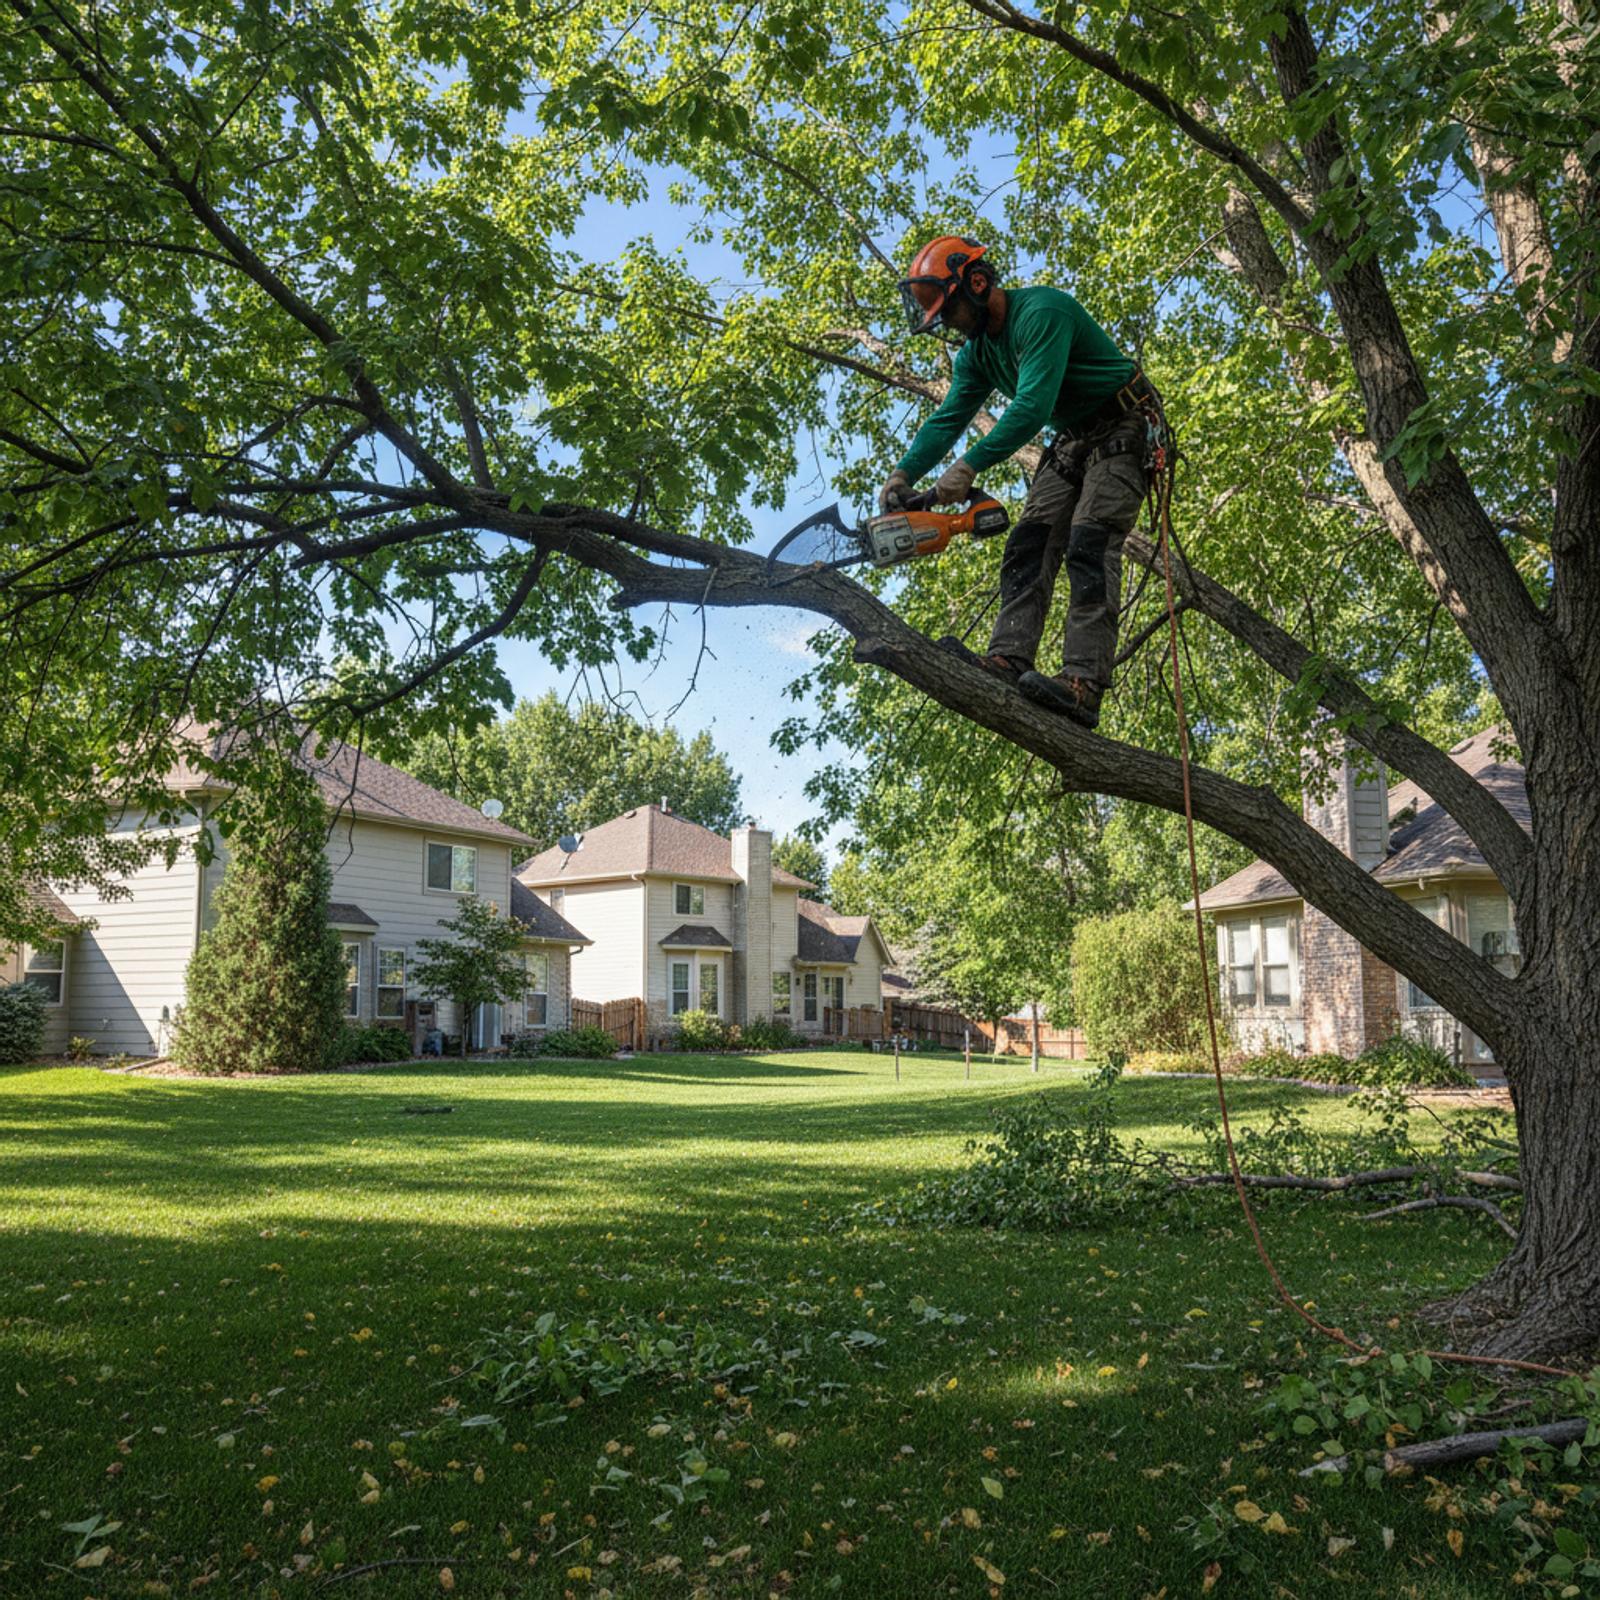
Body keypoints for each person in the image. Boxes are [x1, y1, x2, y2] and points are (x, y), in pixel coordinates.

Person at [881, 235, 1161, 730]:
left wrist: (968, 466)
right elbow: (948, 419)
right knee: (1028, 541)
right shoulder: (976, 354)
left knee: (1089, 542)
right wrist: (904, 474)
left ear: (977, 282)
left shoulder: (1042, 313)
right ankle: (1009, 658)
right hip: (1074, 435)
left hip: (1124, 422)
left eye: (948, 312)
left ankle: (1083, 685)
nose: (947, 324)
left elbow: (1031, 406)